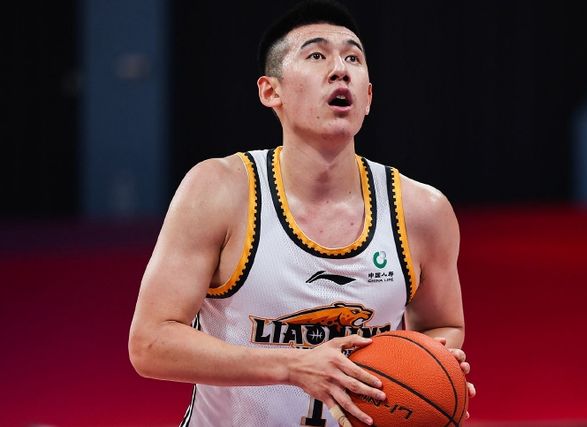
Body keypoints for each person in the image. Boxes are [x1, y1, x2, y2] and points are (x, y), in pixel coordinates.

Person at [128, 1, 475, 426]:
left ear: (367, 98)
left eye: (353, 58)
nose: (340, 69)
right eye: (316, 55)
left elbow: (442, 325)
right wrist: (294, 366)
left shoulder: (422, 210)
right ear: (270, 92)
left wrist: (432, 372)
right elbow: (150, 343)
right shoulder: (218, 190)